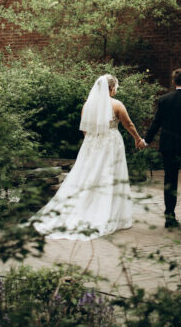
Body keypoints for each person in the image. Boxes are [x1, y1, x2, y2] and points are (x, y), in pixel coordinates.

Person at [32, 74, 146, 240]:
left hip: (91, 144)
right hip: (111, 144)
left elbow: (84, 129)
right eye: (115, 87)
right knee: (109, 175)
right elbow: (129, 124)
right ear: (111, 88)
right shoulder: (117, 105)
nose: (116, 90)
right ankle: (109, 213)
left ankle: (84, 207)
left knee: (88, 175)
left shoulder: (88, 106)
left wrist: (92, 143)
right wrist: (137, 139)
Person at [144, 68, 181, 228]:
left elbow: (156, 123)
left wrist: (146, 140)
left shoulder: (163, 100)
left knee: (170, 180)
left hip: (168, 147)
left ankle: (170, 217)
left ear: (173, 82)